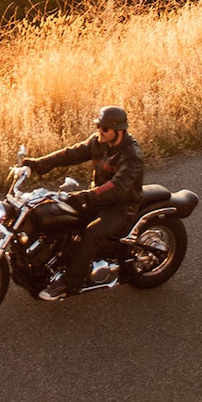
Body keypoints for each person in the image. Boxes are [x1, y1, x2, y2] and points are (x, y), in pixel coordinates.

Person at [19, 105, 144, 298]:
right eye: (98, 127)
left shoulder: (131, 155)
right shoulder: (99, 143)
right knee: (59, 215)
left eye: (104, 128)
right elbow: (71, 153)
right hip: (99, 198)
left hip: (121, 205)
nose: (99, 132)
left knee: (91, 233)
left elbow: (117, 187)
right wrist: (38, 164)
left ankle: (70, 285)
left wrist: (84, 196)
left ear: (118, 130)